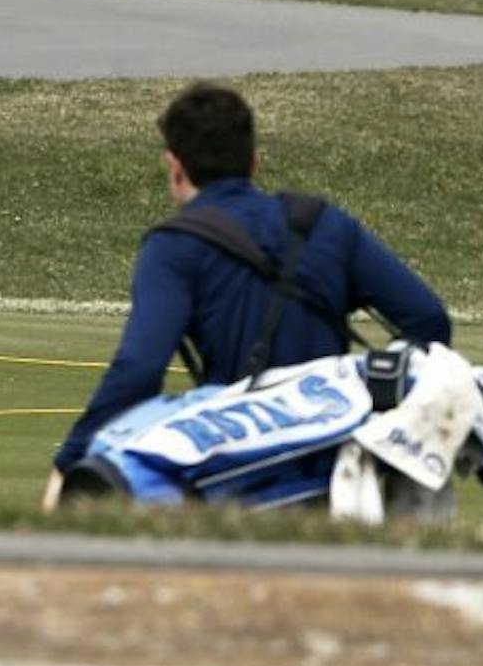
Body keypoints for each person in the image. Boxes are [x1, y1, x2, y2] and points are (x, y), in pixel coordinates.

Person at [44, 81, 452, 509]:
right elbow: (427, 322)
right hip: (336, 468)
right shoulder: (323, 225)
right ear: (254, 162)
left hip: (234, 469)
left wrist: (71, 461)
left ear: (175, 167)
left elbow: (140, 368)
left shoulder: (174, 246)